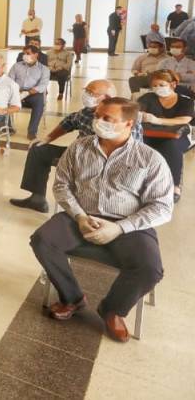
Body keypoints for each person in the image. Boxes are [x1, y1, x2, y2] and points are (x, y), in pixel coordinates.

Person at [30, 98, 172, 343]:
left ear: (129, 123)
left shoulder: (149, 159)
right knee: (43, 240)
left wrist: (119, 227)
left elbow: (162, 207)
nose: (98, 121)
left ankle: (113, 310)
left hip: (128, 223)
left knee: (150, 268)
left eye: (108, 118)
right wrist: (80, 216)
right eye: (97, 116)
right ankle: (72, 297)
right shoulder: (79, 148)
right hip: (82, 215)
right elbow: (62, 185)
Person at [8, 80, 142, 212]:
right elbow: (69, 122)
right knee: (38, 150)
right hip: (77, 154)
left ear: (106, 98)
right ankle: (37, 199)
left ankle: (91, 207)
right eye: (86, 91)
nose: (86, 95)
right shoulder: (87, 112)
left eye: (91, 93)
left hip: (105, 164)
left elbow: (133, 156)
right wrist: (47, 138)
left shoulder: (125, 123)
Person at [138, 70, 193, 203]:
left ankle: (174, 185)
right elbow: (137, 112)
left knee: (171, 147)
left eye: (161, 85)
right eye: (154, 86)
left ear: (173, 84)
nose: (157, 88)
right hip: (149, 134)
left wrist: (157, 120)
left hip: (177, 136)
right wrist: (140, 115)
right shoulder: (148, 98)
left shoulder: (186, 101)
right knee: (137, 145)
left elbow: (184, 119)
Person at [9, 46, 51, 141]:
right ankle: (9, 128)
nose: (25, 55)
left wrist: (27, 92)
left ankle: (32, 132)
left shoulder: (44, 69)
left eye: (28, 53)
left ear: (36, 55)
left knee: (39, 101)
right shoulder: (16, 66)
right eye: (24, 53)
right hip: (17, 91)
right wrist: (16, 91)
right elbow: (9, 80)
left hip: (32, 93)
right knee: (4, 98)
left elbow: (43, 86)